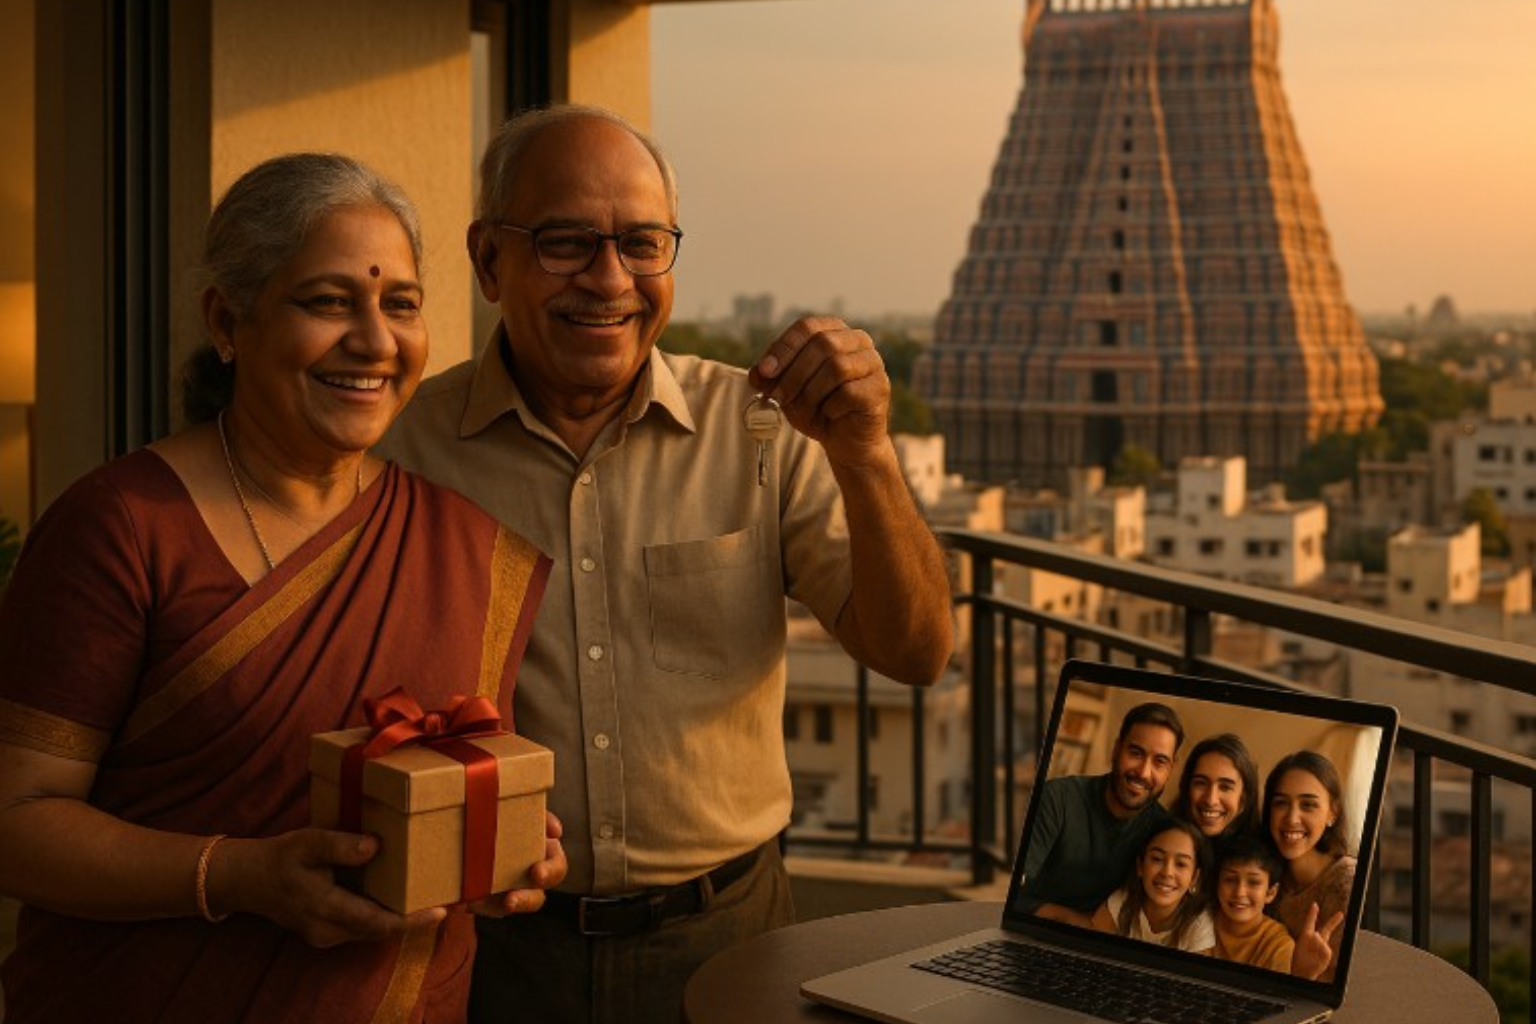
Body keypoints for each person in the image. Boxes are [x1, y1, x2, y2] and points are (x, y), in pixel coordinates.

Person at [377, 104, 955, 1024]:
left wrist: (869, 455)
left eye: (643, 244)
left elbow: (917, 652)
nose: (610, 279)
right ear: (489, 260)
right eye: (567, 242)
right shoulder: (405, 450)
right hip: (498, 951)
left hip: (728, 932)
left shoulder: (758, 431)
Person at [0, 153, 567, 1022]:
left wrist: (499, 837)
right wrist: (240, 875)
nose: (375, 341)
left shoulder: (463, 544)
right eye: (328, 301)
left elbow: (448, 767)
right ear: (228, 321)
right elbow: (18, 818)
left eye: (401, 304)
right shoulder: (124, 528)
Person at [1018, 702, 1183, 924]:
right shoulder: (1058, 799)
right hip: (1030, 927)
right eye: (1135, 753)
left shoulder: (1163, 831)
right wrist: (1070, 918)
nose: (1144, 772)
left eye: (1159, 762)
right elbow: (1012, 892)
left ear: (1171, 768)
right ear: (1116, 749)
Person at [1265, 750, 1355, 983]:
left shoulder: (1348, 884)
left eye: (1308, 805)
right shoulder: (1264, 875)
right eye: (1281, 803)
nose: (1292, 818)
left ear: (1332, 813)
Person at [1209, 829, 1339, 979]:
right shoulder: (1202, 922)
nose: (1239, 892)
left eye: (1253, 882)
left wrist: (1303, 975)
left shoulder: (1278, 946)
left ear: (1270, 893)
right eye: (1230, 880)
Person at [1090, 819, 1215, 953]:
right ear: (1140, 866)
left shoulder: (1199, 927)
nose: (1167, 872)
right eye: (1157, 859)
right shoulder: (1123, 901)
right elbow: (1093, 950)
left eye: (1180, 864)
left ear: (1194, 878)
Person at [1173, 733, 1260, 845]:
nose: (1211, 800)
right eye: (1201, 783)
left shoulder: (1257, 855)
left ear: (1244, 799)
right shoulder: (1163, 837)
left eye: (1225, 787)